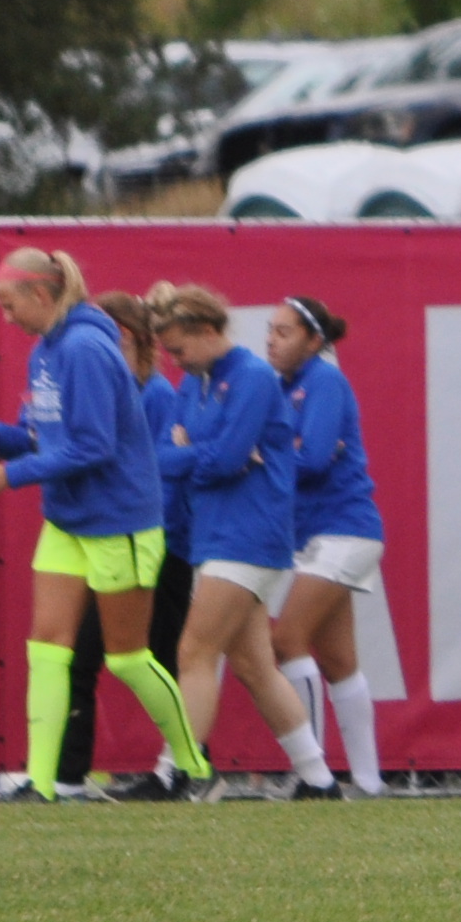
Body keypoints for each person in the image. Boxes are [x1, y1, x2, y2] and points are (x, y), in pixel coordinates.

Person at [0, 248, 215, 802]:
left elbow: (93, 447)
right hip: (69, 521)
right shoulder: (46, 351)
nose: (5, 315)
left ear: (42, 296)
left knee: (126, 657)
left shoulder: (86, 348)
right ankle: (42, 784)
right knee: (47, 647)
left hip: (119, 521)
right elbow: (45, 436)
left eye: (9, 303)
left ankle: (191, 760)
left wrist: (12, 475)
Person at [143, 285, 338, 797]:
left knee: (193, 650)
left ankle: (177, 772)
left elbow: (224, 459)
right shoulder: (193, 381)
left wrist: (197, 452)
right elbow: (173, 454)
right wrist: (202, 453)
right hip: (216, 533)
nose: (175, 361)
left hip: (249, 533)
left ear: (208, 332)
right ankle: (318, 780)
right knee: (254, 666)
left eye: (180, 349)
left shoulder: (250, 377)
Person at [53, 293, 190, 798]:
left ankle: (186, 766)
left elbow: (160, 471)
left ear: (125, 339)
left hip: (157, 547)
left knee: (159, 657)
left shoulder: (153, 395)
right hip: (110, 541)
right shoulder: (117, 391)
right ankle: (65, 779)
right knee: (84, 657)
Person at [267, 297, 389, 796]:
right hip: (316, 535)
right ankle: (369, 782)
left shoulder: (325, 381)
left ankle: (313, 775)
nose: (272, 340)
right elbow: (299, 455)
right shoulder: (281, 387)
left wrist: (260, 456)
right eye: (270, 330)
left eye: (284, 332)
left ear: (315, 341)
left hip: (345, 531)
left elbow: (314, 458)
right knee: (339, 662)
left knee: (286, 640)